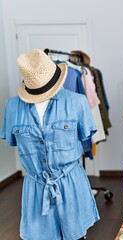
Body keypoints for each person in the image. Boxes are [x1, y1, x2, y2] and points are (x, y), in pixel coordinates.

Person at [0, 49, 99, 240]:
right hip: (36, 188)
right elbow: (13, 141)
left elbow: (86, 135)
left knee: (76, 237)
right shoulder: (12, 107)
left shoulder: (77, 102)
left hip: (70, 184)